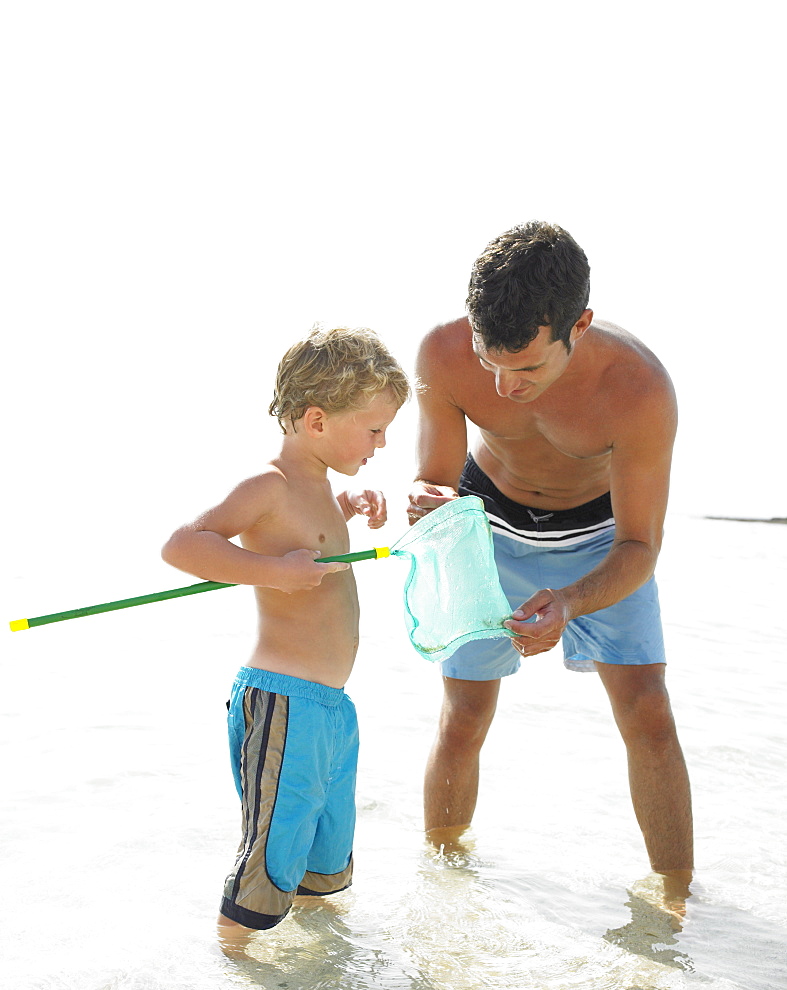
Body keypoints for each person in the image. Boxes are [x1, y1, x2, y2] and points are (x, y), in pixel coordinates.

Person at [408, 221, 693, 877]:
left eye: (529, 365)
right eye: (491, 362)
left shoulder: (639, 389)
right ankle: (443, 889)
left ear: (580, 324)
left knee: (648, 711)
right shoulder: (442, 353)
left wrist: (568, 600)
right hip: (486, 526)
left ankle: (676, 911)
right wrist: (424, 500)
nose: (506, 386)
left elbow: (639, 544)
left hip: (600, 538)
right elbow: (435, 477)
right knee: (462, 716)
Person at [162, 325, 409, 948]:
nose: (383, 444)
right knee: (267, 862)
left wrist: (346, 508)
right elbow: (183, 545)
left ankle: (321, 975)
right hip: (282, 701)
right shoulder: (267, 485)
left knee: (323, 861)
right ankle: (236, 965)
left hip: (329, 708)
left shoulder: (319, 488)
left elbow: (308, 534)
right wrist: (274, 572)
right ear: (317, 421)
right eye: (374, 429)